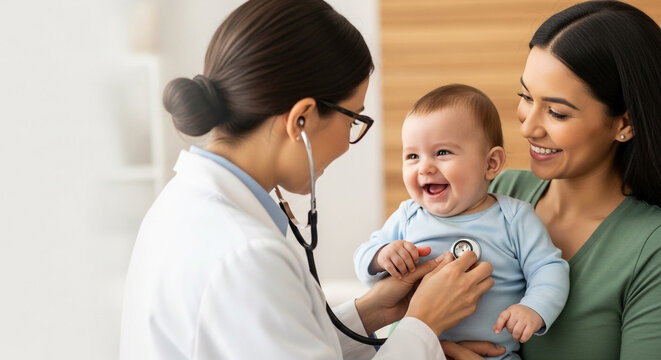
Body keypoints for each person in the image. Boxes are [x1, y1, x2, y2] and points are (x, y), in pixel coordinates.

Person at [118, 1, 497, 359]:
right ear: (302, 119)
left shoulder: (182, 205)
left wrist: (373, 311)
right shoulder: (245, 255)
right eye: (353, 121)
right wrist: (423, 325)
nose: (348, 144)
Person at [486, 1, 661, 359]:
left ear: (624, 124)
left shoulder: (651, 249)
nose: (528, 127)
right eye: (525, 96)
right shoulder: (496, 192)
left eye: (557, 112)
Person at [354, 84, 569, 359]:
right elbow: (363, 257)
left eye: (442, 152)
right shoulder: (408, 216)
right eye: (412, 156)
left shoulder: (514, 217)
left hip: (495, 356)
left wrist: (534, 309)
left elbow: (548, 268)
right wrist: (381, 256)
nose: (425, 167)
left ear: (491, 163)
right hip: (416, 350)